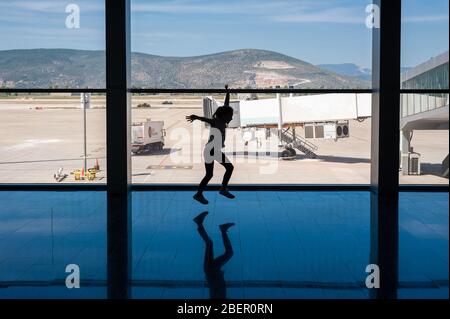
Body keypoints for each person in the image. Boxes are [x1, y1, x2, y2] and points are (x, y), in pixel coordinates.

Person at [186, 85, 235, 205]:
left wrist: (228, 93)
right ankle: (222, 189)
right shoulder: (217, 121)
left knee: (210, 174)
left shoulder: (222, 121)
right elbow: (206, 119)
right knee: (228, 168)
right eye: (230, 116)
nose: (232, 118)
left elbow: (226, 106)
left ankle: (199, 194)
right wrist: (196, 117)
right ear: (224, 116)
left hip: (211, 150)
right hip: (212, 150)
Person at [193, 211, 234, 299]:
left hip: (211, 270)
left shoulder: (218, 297)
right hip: (213, 270)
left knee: (210, 244)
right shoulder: (221, 296)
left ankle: (199, 223)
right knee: (213, 245)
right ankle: (223, 230)